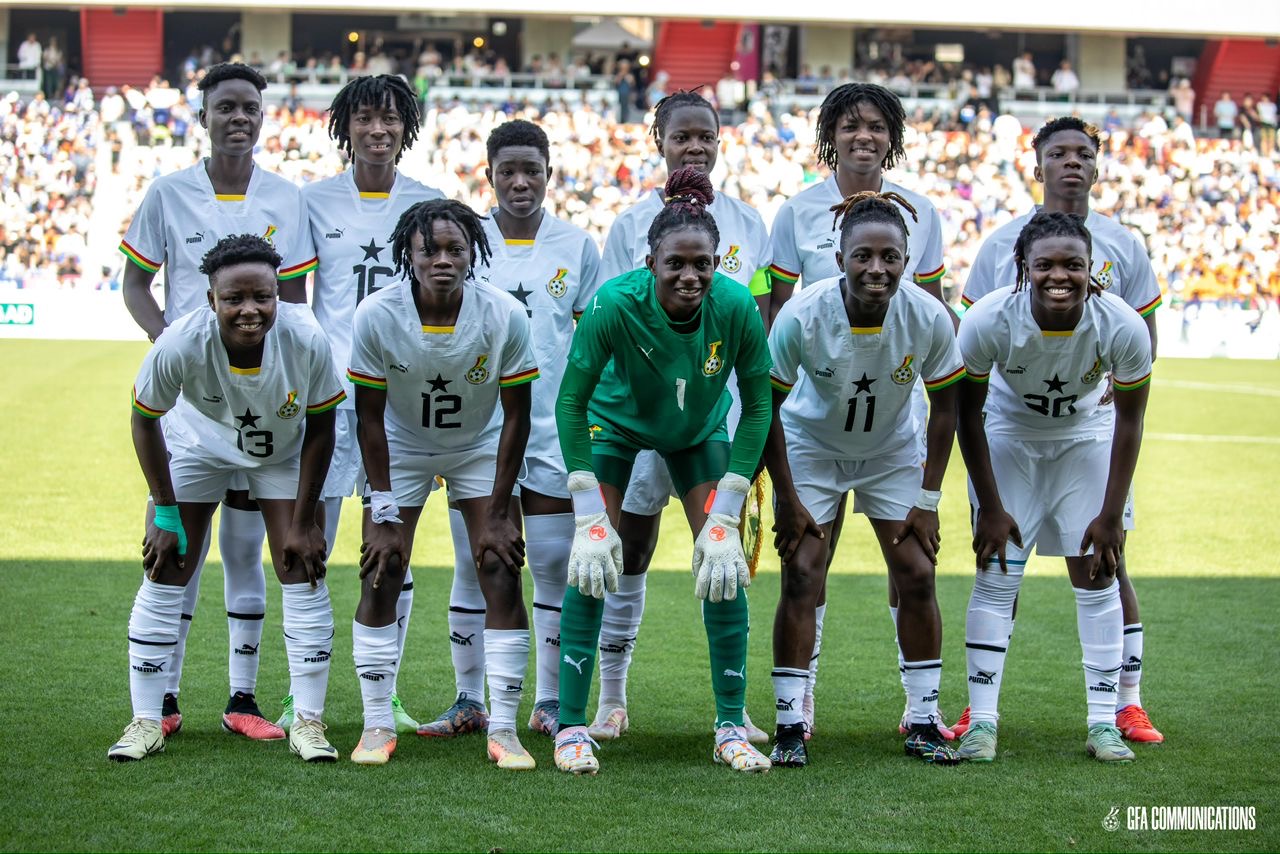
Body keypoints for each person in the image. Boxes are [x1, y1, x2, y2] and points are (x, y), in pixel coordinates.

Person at [552, 168, 773, 775]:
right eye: (675, 263)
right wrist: (587, 508)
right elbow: (570, 401)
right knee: (593, 560)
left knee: (722, 561)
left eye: (702, 263)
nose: (690, 275)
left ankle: (731, 724)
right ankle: (571, 728)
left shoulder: (734, 305)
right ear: (649, 260)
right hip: (614, 427)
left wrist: (729, 506)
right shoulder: (613, 303)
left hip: (699, 431)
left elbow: (757, 406)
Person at [119, 63, 316, 742]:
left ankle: (243, 699)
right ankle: (164, 701)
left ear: (263, 116)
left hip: (263, 401)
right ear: (202, 117)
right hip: (192, 401)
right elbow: (136, 284)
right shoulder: (167, 194)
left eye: (249, 106)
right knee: (174, 548)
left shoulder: (288, 198)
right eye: (225, 106)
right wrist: (170, 344)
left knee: (245, 547)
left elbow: (292, 302)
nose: (238, 117)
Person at [959, 117, 1163, 744]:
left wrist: (1114, 376)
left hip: (1086, 430)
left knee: (1103, 565)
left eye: (1084, 153)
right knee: (999, 571)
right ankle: (980, 715)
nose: (1059, 275)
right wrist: (986, 502)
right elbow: (965, 401)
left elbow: (1135, 394)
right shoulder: (997, 265)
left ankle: (1117, 709)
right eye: (1059, 153)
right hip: (1011, 430)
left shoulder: (1122, 272)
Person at [108, 234, 342, 762]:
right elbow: (145, 423)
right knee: (167, 563)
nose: (250, 310)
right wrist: (164, 511)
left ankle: (308, 721)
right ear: (210, 298)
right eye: (234, 298)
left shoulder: (306, 339)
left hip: (280, 454)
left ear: (277, 293)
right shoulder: (179, 343)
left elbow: (323, 426)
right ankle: (146, 720)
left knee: (302, 564)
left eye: (262, 296)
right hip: (198, 448)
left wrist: (305, 519)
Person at [767, 82, 954, 741]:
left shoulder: (924, 214)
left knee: (914, 570)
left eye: (877, 125)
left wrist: (929, 494)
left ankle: (923, 714)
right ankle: (796, 712)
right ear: (831, 135)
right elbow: (776, 317)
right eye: (850, 125)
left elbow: (932, 331)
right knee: (805, 567)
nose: (864, 135)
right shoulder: (796, 214)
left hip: (890, 434)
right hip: (813, 429)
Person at [419, 120, 601, 741]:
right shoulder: (465, 243)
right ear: (489, 174)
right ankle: (470, 698)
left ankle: (548, 701)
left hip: (551, 428)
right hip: (479, 432)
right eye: (507, 171)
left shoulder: (577, 246)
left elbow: (590, 346)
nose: (520, 182)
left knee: (552, 564)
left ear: (550, 174)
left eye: (532, 171)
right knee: (478, 563)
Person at [346, 199, 539, 768]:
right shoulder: (376, 315)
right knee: (382, 570)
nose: (443, 259)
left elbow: (518, 417)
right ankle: (377, 724)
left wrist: (501, 509)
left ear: (473, 253)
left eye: (456, 248)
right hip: (400, 448)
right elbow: (368, 418)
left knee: (500, 568)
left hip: (479, 445)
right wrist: (382, 507)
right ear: (408, 253)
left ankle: (503, 729)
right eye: (429, 249)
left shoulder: (503, 314)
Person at [299, 73, 444, 737]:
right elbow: (299, 309)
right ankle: (305, 698)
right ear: (345, 126)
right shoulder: (312, 202)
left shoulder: (429, 204)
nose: (378, 131)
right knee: (312, 547)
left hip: (401, 405)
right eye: (365, 119)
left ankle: (386, 697)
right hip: (328, 402)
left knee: (393, 548)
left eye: (390, 120)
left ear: (406, 128)